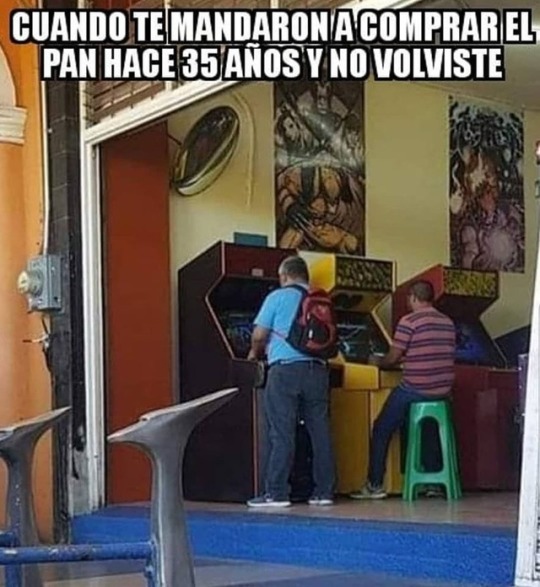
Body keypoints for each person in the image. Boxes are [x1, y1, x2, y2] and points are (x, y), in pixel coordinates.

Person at [350, 280, 456, 500]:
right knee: (428, 428)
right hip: (443, 392)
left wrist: (376, 361)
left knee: (381, 427)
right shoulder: (447, 322)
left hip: (416, 389)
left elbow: (392, 358)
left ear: (414, 297)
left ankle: (374, 484)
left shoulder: (409, 321)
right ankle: (433, 484)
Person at [246, 255, 336, 508]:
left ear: (284, 275)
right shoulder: (322, 299)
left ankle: (277, 493)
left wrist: (253, 354)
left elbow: (259, 335)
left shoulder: (277, 297)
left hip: (285, 371)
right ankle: (324, 492)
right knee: (320, 433)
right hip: (318, 370)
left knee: (282, 432)